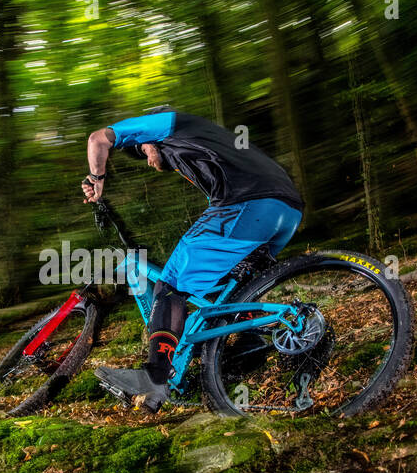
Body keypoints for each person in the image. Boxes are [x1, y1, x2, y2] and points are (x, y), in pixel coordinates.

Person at [81, 108, 304, 410]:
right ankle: (250, 347)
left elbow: (99, 139)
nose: (146, 158)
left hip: (247, 202)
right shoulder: (201, 146)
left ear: (151, 137)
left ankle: (156, 375)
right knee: (227, 290)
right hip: (286, 209)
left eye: (143, 150)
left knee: (170, 284)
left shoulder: (167, 123)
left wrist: (97, 178)